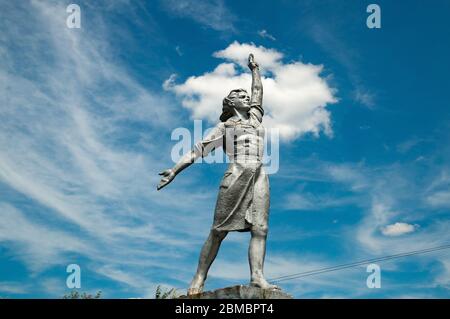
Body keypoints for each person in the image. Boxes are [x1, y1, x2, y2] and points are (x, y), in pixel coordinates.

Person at [158, 54, 279, 295]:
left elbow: (257, 92)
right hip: (236, 174)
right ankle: (199, 278)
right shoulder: (224, 127)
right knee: (218, 231)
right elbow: (196, 151)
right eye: (240, 96)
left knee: (261, 229)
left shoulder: (255, 118)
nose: (247, 97)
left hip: (259, 174)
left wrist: (255, 69)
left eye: (246, 95)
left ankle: (257, 277)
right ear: (231, 102)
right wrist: (174, 170)